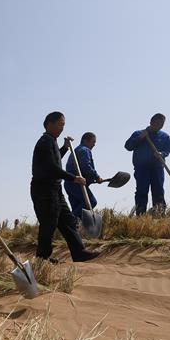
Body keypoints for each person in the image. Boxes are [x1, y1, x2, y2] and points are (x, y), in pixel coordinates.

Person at [30, 112, 99, 264]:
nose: (62, 128)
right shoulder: (45, 141)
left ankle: (79, 252)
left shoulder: (52, 141)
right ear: (50, 123)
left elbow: (55, 160)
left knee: (68, 221)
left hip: (55, 189)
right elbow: (51, 167)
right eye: (60, 124)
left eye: (63, 125)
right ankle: (42, 258)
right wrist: (73, 178)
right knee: (49, 223)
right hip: (44, 190)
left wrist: (65, 148)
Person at [125, 113, 170, 215]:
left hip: (157, 168)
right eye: (158, 123)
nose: (160, 126)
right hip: (142, 169)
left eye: (162, 124)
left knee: (158, 192)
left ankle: (159, 215)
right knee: (141, 191)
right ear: (151, 122)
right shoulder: (139, 133)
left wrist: (161, 154)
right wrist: (140, 138)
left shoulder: (165, 137)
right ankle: (141, 215)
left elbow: (167, 149)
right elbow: (128, 146)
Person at [64, 132, 103, 219]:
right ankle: (70, 220)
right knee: (91, 202)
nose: (94, 145)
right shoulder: (85, 150)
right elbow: (86, 166)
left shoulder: (77, 150)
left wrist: (92, 179)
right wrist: (96, 177)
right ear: (85, 141)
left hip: (69, 183)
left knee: (77, 208)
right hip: (76, 183)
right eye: (93, 142)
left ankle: (73, 227)